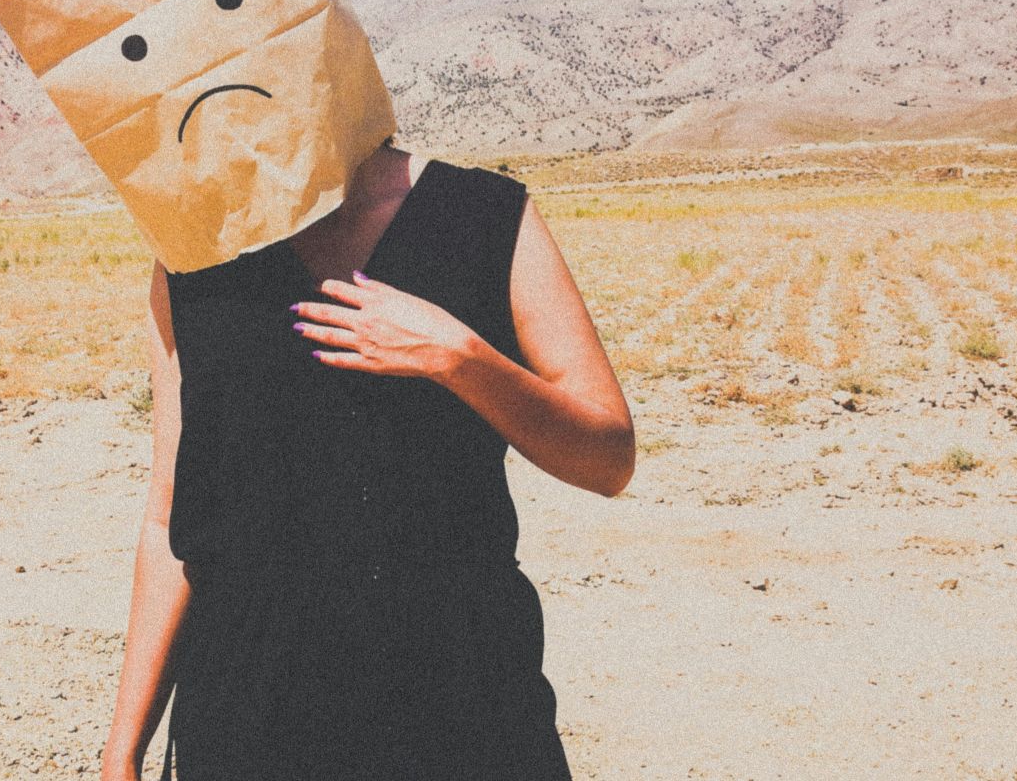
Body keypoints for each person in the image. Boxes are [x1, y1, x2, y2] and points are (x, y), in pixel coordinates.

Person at [99, 137, 635, 780]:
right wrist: (122, 751)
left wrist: (462, 360)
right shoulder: (195, 249)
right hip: (249, 719)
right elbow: (171, 520)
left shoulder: (486, 214)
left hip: (463, 706)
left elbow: (609, 458)